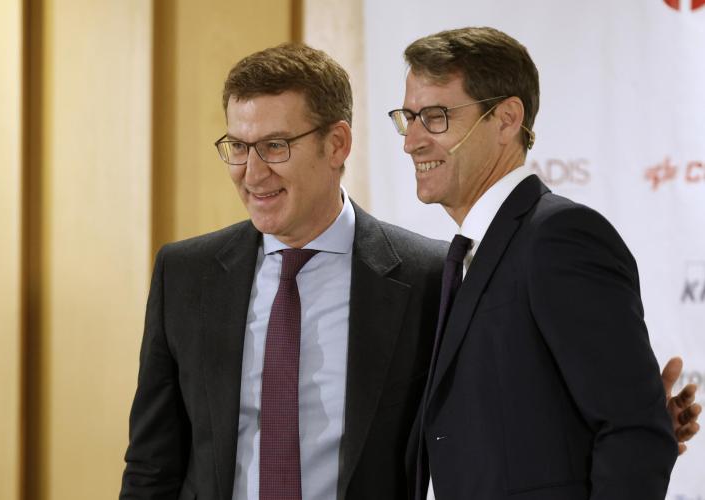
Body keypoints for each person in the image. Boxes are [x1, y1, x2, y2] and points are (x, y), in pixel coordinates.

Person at [119, 43, 447, 500]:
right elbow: (152, 465)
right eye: (238, 147)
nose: (252, 174)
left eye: (275, 146)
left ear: (336, 144)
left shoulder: (428, 276)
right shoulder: (185, 275)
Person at [391, 27, 700, 500]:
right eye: (408, 118)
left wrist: (641, 423)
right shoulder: (465, 256)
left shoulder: (560, 238)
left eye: (435, 117)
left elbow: (633, 430)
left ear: (506, 119)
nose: (411, 141)